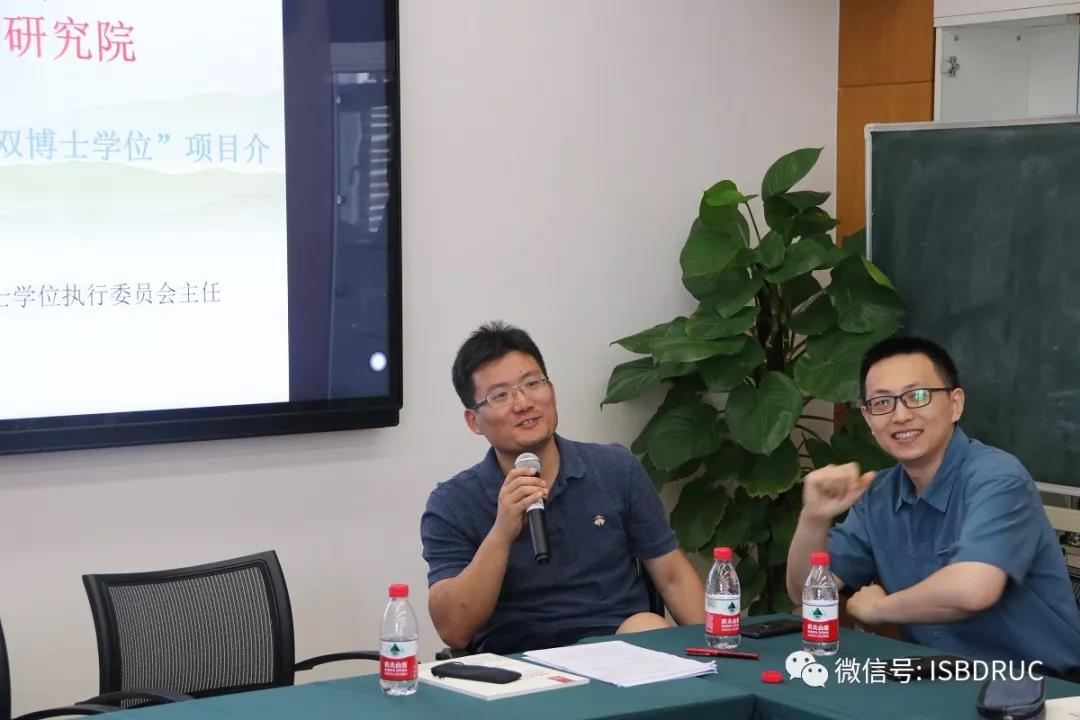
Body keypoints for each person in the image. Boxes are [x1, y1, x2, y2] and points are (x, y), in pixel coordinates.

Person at [786, 335, 1080, 675]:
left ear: (955, 404)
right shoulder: (878, 494)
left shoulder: (998, 478)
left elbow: (973, 590)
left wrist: (880, 608)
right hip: (939, 680)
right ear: (868, 418)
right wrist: (814, 518)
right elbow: (807, 591)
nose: (900, 415)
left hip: (1041, 687)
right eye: (882, 402)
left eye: (917, 396)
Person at [421, 321, 705, 654]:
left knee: (647, 626)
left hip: (619, 650)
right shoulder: (452, 503)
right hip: (518, 664)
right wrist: (501, 533)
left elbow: (672, 576)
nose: (523, 403)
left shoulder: (615, 469)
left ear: (551, 389)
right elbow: (454, 630)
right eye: (500, 395)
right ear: (474, 421)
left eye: (532, 383)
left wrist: (720, 651)